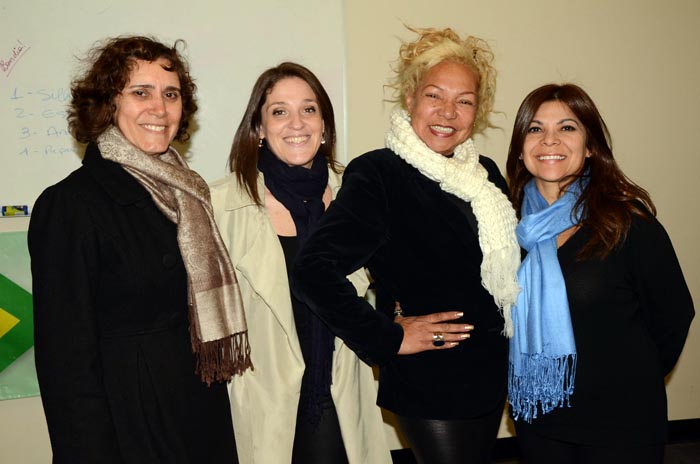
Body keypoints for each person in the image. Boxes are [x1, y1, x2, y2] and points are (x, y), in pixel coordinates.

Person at [291, 27, 521, 464]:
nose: (448, 112)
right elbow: (313, 269)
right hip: (430, 380)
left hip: (490, 374)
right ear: (411, 97)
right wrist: (387, 337)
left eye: (464, 101)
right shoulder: (379, 174)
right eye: (434, 95)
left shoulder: (486, 175)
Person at [28, 36, 250, 463]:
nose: (160, 109)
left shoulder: (188, 193)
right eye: (141, 93)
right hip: (129, 425)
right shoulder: (71, 205)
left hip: (199, 411)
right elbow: (65, 362)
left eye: (171, 94)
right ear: (108, 104)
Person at [210, 62, 391, 464]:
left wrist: (396, 329)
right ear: (259, 128)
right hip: (264, 400)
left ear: (324, 126)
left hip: (340, 392)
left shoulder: (356, 195)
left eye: (309, 109)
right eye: (280, 111)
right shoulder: (220, 205)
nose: (297, 123)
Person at [505, 83, 695, 464]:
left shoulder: (627, 222)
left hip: (620, 422)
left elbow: (673, 315)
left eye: (567, 127)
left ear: (590, 145)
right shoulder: (505, 228)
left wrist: (629, 378)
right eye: (536, 128)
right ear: (521, 148)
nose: (549, 140)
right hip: (539, 419)